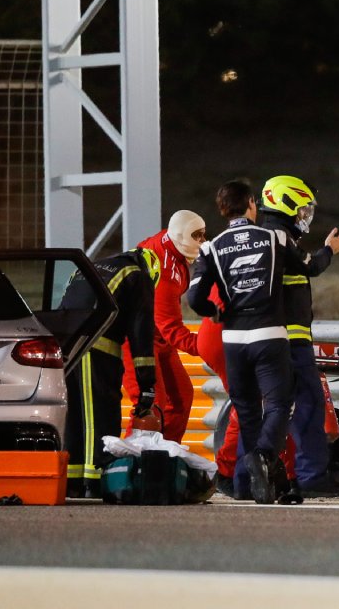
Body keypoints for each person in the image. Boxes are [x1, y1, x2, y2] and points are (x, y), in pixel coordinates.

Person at [186, 180, 319, 504]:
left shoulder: (211, 247)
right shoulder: (273, 237)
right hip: (268, 334)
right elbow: (309, 266)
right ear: (250, 204)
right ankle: (263, 456)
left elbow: (194, 297)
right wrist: (329, 250)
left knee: (246, 410)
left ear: (222, 209)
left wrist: (215, 311)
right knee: (278, 404)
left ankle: (260, 485)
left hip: (232, 339)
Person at [258, 175, 339, 497]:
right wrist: (329, 249)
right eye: (302, 208)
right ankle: (311, 478)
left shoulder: (260, 238)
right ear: (285, 203)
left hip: (260, 339)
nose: (305, 215)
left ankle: (245, 479)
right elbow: (312, 266)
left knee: (261, 410)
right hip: (291, 342)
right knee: (309, 404)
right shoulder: (280, 238)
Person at [63, 247, 160, 498]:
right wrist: (147, 384)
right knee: (100, 416)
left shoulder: (89, 267)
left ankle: (71, 481)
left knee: (74, 417)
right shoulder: (137, 275)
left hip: (65, 347)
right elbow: (141, 332)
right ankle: (96, 481)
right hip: (96, 349)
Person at [120, 210, 206, 443]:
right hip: (136, 337)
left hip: (154, 332)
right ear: (181, 236)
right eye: (197, 235)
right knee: (149, 404)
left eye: (202, 234)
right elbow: (173, 330)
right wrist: (207, 346)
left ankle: (166, 454)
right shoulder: (166, 274)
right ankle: (134, 459)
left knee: (181, 396)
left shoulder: (170, 240)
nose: (202, 241)